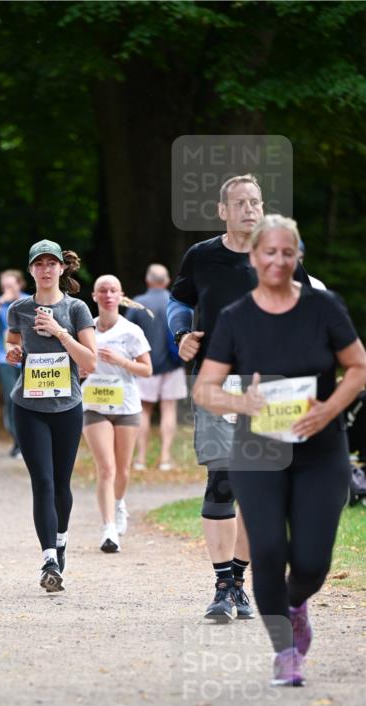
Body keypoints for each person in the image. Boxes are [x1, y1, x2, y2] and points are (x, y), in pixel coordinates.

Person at [193, 214, 366, 686]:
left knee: (311, 561)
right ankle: (285, 651)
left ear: (298, 258)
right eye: (269, 252)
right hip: (259, 449)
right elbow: (205, 390)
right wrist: (239, 401)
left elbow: (357, 366)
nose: (278, 260)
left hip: (320, 448)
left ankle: (296, 603)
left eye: (287, 252)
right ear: (254, 258)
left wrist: (328, 410)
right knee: (267, 550)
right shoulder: (235, 318)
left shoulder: (324, 308)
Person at [168, 173, 307, 623]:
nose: (250, 209)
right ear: (222, 211)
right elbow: (178, 301)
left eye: (256, 202)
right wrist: (181, 335)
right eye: (241, 203)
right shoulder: (202, 257)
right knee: (223, 480)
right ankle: (223, 586)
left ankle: (239, 580)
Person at [6, 239, 97, 592]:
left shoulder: (77, 309)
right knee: (41, 481)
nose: (45, 269)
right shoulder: (19, 309)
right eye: (39, 264)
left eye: (51, 263)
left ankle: (60, 541)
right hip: (28, 405)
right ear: (31, 270)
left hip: (67, 406)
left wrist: (60, 332)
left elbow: (90, 361)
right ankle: (47, 558)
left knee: (61, 483)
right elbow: (11, 344)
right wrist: (14, 353)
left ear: (61, 268)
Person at [82, 274, 152, 552]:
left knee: (122, 469)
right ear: (94, 296)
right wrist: (81, 370)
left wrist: (121, 360)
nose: (108, 295)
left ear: (121, 296)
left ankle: (119, 503)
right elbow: (76, 362)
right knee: (106, 467)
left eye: (113, 290)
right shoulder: (86, 330)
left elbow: (147, 369)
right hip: (95, 404)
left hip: (126, 405)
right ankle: (109, 528)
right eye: (103, 290)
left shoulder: (131, 330)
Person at [126, 263, 186, 471]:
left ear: (148, 280)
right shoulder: (176, 302)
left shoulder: (138, 304)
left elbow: (127, 334)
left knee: (143, 411)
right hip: (173, 365)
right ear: (167, 281)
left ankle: (140, 459)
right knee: (169, 409)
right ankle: (165, 459)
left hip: (145, 365)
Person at [0, 269, 29, 457]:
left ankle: (27, 440)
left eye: (11, 285)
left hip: (29, 357)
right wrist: (1, 301)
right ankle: (16, 439)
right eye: (4, 286)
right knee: (11, 398)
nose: (8, 289)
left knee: (28, 398)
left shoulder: (29, 300)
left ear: (20, 284)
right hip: (5, 358)